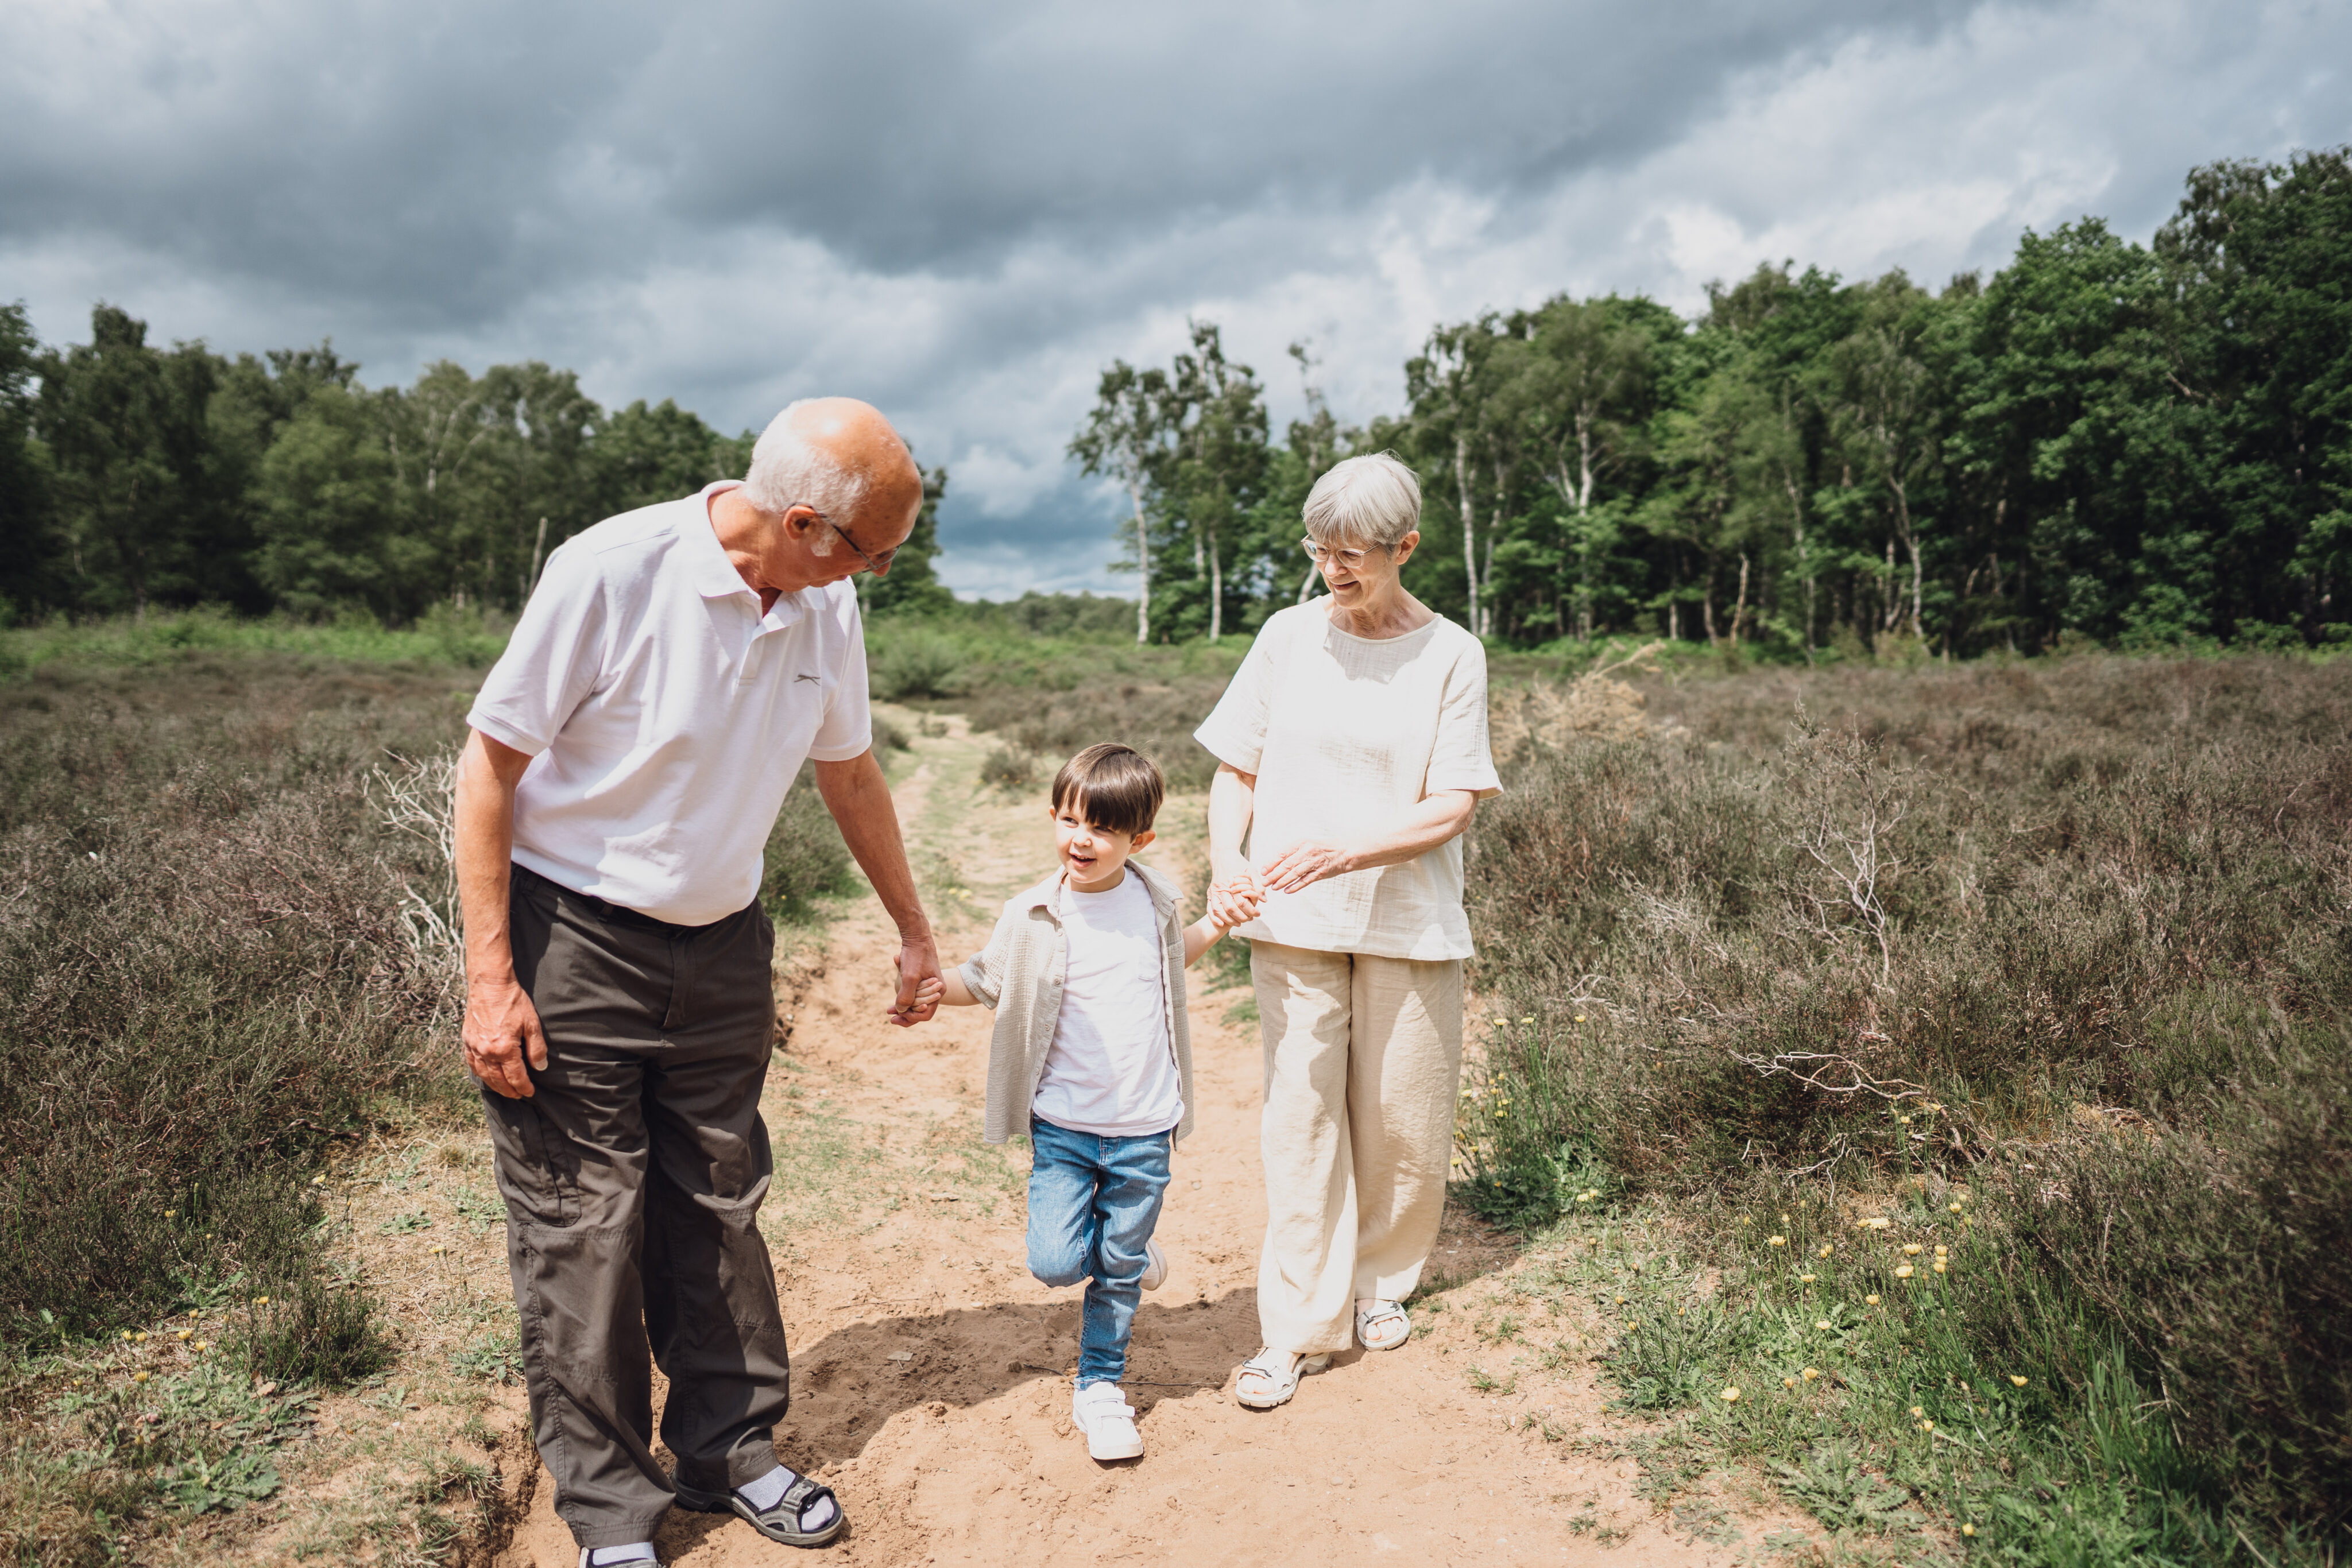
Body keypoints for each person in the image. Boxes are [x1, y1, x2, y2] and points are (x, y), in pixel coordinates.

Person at [454, 398, 943, 1563]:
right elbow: (487, 770)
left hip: (723, 945)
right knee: (586, 1228)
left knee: (719, 1202)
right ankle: (613, 1511)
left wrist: (913, 930)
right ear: (800, 523)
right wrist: (490, 977)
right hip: (574, 938)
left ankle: (731, 1451)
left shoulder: (826, 605)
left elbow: (853, 775)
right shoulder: (611, 573)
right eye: (872, 552)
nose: (878, 574)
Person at [1193, 451, 1500, 1412]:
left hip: (1409, 917)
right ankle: (1295, 1326)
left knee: (1402, 1119)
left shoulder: (1452, 653)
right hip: (1292, 917)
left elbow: (1452, 804)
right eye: (1322, 550)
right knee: (1301, 1117)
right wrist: (1225, 864)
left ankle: (1381, 1280)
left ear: (1406, 546)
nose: (1335, 568)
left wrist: (1344, 848)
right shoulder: (1287, 637)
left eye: (1355, 553)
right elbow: (1234, 769)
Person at [914, 743, 1258, 1460]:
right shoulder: (1031, 912)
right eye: (1071, 820)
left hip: (1144, 1126)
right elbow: (983, 979)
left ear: (1140, 840)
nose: (1082, 839)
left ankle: (1100, 1386)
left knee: (1116, 1274)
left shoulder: (1156, 902)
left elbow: (1176, 959)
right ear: (1054, 818)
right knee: (1054, 1262)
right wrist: (925, 993)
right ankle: (1122, 1250)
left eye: (1102, 829)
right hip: (1064, 1126)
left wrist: (1222, 923)